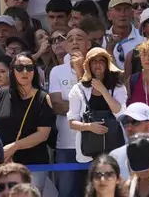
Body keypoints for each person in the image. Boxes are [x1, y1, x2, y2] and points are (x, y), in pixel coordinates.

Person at [0, 53, 54, 192]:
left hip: (33, 164)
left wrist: (14, 147)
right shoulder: (0, 95)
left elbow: (43, 134)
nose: (25, 72)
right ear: (12, 70)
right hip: (4, 163)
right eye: (20, 68)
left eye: (29, 68)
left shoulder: (42, 98)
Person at [49, 28, 90, 197]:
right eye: (70, 39)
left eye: (79, 38)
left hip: (92, 144)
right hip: (65, 145)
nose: (74, 42)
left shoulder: (97, 68)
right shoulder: (57, 71)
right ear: (65, 45)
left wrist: (81, 69)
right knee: (66, 193)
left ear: (88, 44)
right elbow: (57, 105)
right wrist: (82, 108)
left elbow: (95, 103)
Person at [68, 47, 128, 162]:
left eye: (101, 61)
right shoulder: (78, 89)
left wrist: (103, 90)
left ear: (107, 65)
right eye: (94, 61)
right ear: (88, 65)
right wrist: (89, 127)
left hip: (115, 149)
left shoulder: (118, 87)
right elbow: (72, 123)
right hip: (89, 152)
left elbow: (120, 113)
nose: (97, 64)